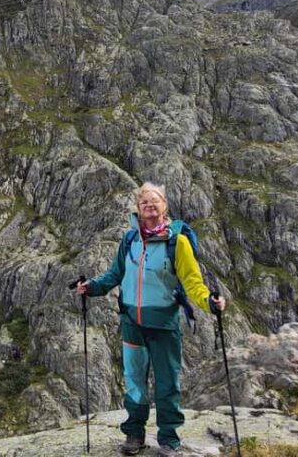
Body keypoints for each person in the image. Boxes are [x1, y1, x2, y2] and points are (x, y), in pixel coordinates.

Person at [76, 182, 225, 457]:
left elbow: (193, 283)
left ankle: (168, 438)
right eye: (144, 201)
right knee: (134, 381)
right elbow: (114, 275)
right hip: (132, 323)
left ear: (165, 206)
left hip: (164, 324)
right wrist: (92, 287)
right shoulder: (129, 239)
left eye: (155, 200)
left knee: (167, 383)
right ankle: (135, 434)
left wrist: (210, 303)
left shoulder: (176, 242)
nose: (149, 205)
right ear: (138, 208)